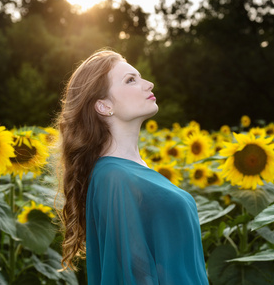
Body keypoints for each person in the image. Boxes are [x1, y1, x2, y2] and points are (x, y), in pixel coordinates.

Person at [56, 49, 209, 284]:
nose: (149, 84)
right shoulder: (114, 177)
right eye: (130, 80)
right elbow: (133, 275)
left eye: (140, 77)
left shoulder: (131, 170)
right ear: (104, 106)